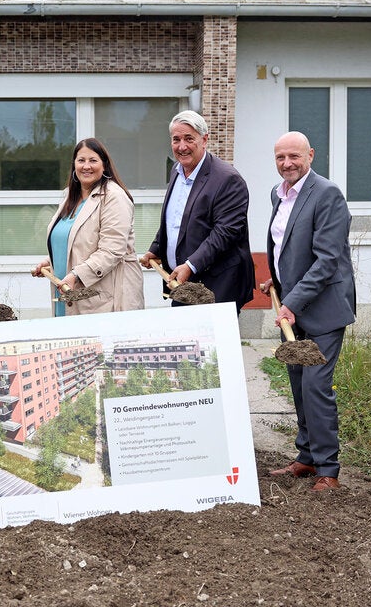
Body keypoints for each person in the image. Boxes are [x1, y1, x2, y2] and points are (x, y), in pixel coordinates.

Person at [260, 131, 356, 492]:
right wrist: (277, 281)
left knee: (316, 385)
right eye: (280, 157)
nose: (287, 164)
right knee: (299, 383)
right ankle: (306, 457)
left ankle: (328, 470)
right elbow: (287, 246)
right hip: (293, 306)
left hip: (323, 309)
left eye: (294, 156)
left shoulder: (327, 194)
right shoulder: (278, 193)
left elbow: (327, 259)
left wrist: (292, 302)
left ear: (310, 155)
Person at [140, 110, 254, 313]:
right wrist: (156, 248)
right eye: (176, 139)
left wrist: (190, 265)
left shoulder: (228, 179)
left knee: (213, 336)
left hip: (218, 285)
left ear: (204, 140)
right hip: (183, 284)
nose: (182, 146)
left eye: (189, 139)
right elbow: (174, 219)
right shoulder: (177, 171)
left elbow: (225, 233)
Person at [31, 138, 144, 315]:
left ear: (104, 165)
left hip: (104, 299)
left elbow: (112, 250)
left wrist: (76, 275)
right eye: (81, 160)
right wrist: (51, 261)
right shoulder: (70, 196)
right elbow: (73, 240)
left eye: (93, 160)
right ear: (74, 165)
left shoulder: (114, 197)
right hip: (66, 292)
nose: (86, 166)